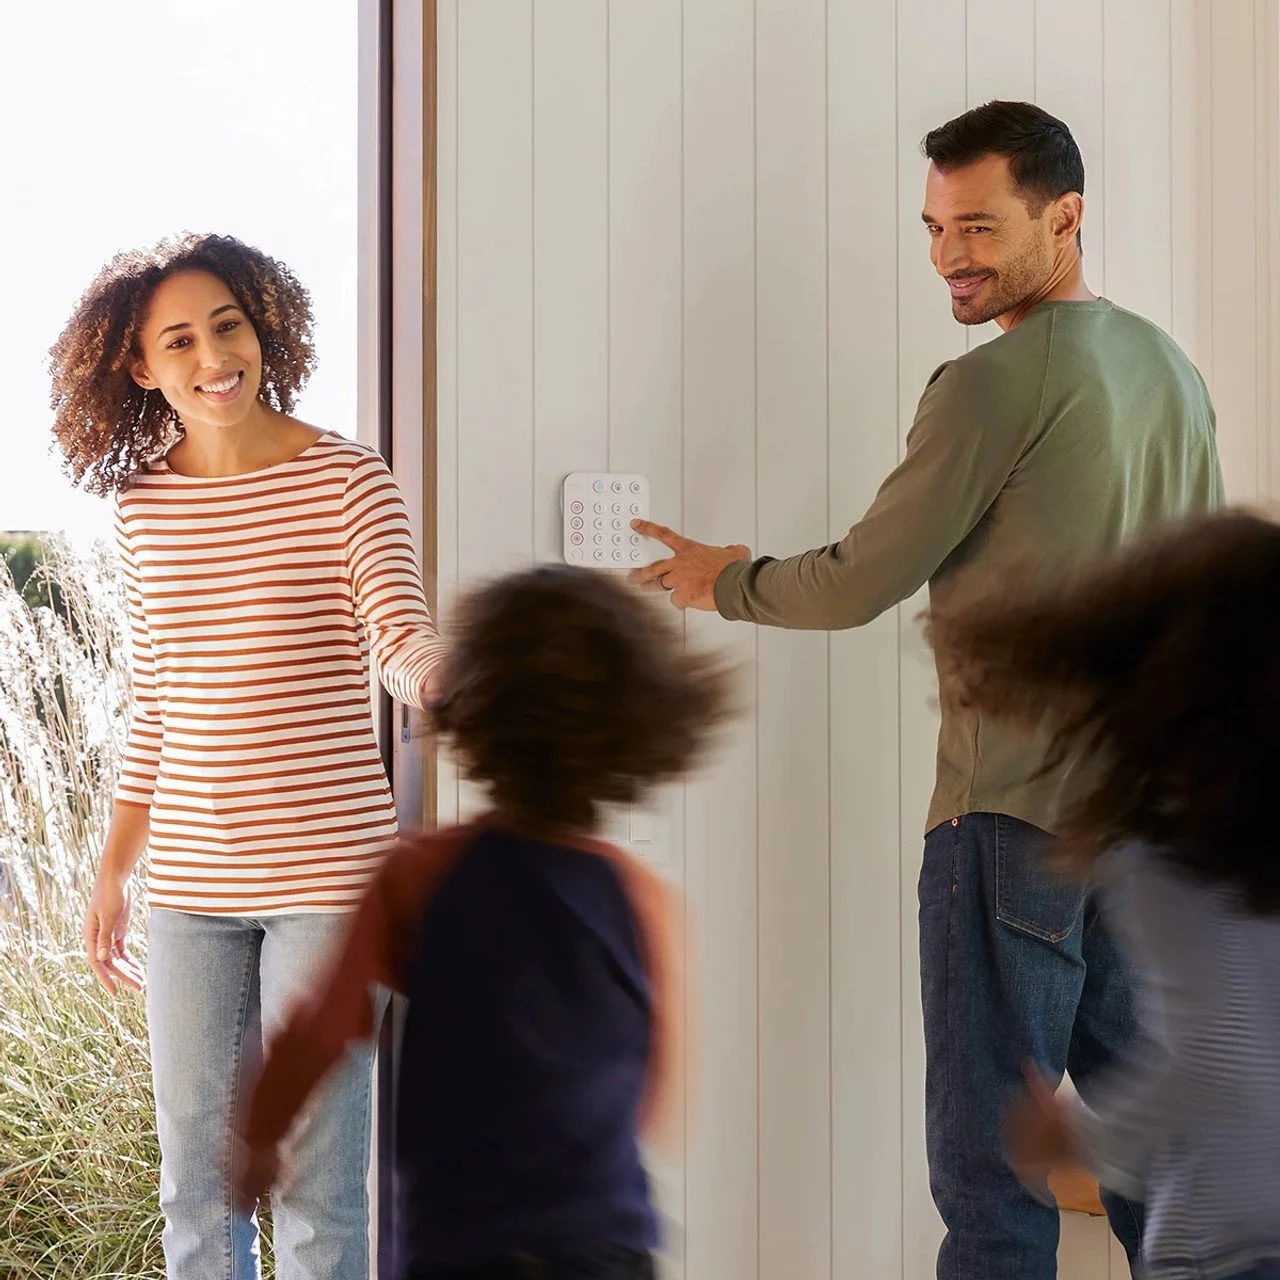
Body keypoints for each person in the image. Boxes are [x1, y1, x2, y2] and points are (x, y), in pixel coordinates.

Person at [631, 100, 1224, 1278]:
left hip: (1012, 823)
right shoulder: (1171, 371)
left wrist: (721, 580)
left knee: (991, 1184)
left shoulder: (991, 383)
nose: (951, 255)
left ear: (1064, 217)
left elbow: (861, 577)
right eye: (935, 228)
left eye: (979, 226)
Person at [49, 232, 448, 1280]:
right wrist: (113, 870)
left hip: (330, 882)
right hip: (190, 887)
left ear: (262, 330)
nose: (213, 355)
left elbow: (399, 639)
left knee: (318, 1189)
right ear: (141, 367)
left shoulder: (349, 480)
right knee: (195, 1183)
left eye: (227, 325)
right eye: (179, 340)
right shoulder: (143, 508)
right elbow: (156, 703)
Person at [232, 564, 728, 1280]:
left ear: (475, 705)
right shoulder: (639, 896)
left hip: (462, 1245)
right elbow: (653, 1094)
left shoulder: (419, 874)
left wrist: (259, 1139)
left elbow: (318, 1028)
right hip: (604, 1245)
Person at [929, 510, 1280, 1280]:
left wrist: (1081, 1138)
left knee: (989, 1191)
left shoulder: (1175, 862)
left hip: (1226, 1244)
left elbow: (1216, 1066)